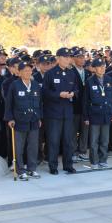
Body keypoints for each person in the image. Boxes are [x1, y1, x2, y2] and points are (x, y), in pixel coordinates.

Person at [43, 47, 78, 175]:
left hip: (67, 112)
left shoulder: (71, 73)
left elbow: (76, 88)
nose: (68, 59)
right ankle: (53, 166)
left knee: (68, 140)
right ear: (58, 58)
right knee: (53, 140)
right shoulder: (50, 73)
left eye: (69, 57)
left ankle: (68, 165)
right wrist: (59, 94)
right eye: (65, 57)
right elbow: (45, 92)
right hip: (53, 113)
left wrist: (73, 94)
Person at [4, 61, 42, 181]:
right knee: (19, 147)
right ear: (19, 73)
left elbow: (40, 103)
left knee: (33, 146)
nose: (28, 72)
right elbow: (9, 104)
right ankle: (20, 170)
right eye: (25, 70)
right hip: (19, 120)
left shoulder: (35, 84)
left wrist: (39, 117)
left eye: (30, 70)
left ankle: (32, 169)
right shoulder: (14, 85)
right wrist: (10, 118)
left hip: (34, 120)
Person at [83, 58, 112, 169]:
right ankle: (94, 161)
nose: (102, 68)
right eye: (100, 66)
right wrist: (86, 117)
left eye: (104, 66)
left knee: (105, 140)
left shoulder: (108, 79)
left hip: (107, 113)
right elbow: (86, 101)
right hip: (94, 114)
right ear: (94, 68)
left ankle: (103, 159)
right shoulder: (89, 81)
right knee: (93, 140)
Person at [71, 49, 91, 162]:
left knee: (85, 130)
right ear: (74, 58)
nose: (82, 59)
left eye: (83, 57)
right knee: (73, 131)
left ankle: (82, 151)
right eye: (79, 57)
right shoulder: (71, 72)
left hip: (86, 107)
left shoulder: (87, 72)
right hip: (74, 106)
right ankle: (73, 152)